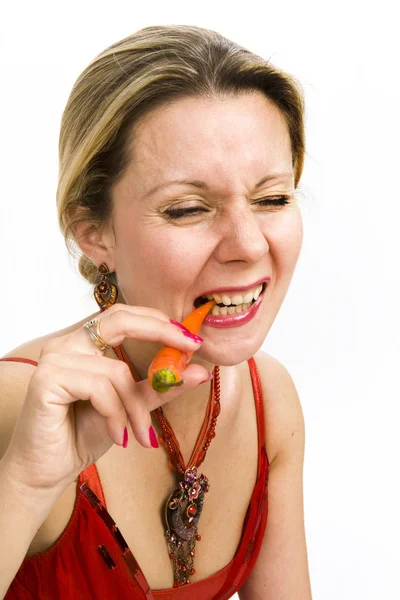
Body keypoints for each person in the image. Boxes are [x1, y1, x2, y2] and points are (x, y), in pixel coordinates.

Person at [0, 24, 312, 600]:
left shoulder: (271, 397)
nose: (247, 243)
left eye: (272, 198)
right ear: (94, 233)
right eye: (189, 208)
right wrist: (23, 483)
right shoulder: (19, 405)